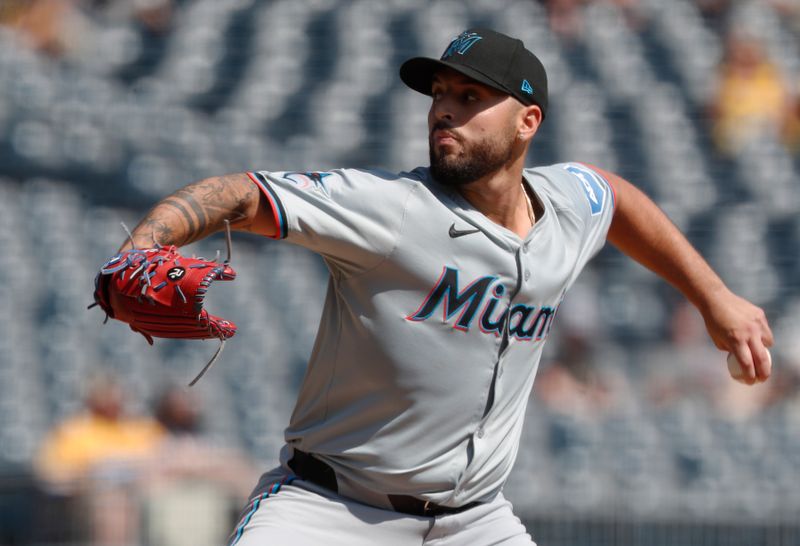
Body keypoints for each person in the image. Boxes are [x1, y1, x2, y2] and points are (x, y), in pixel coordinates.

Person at [113, 28, 773, 545]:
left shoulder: (567, 204)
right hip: (331, 512)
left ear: (528, 122)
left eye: (470, 97)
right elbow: (241, 193)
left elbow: (617, 198)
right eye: (440, 95)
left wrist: (715, 297)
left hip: (474, 523)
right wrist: (145, 245)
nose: (445, 112)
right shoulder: (390, 209)